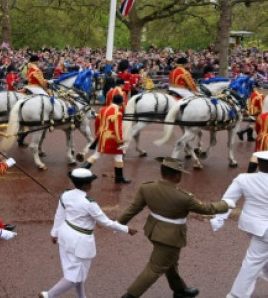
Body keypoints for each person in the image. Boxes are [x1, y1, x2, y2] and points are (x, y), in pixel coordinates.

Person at [115, 157, 232, 298]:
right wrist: (225, 205)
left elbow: (133, 209)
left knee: (169, 262)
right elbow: (207, 209)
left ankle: (179, 290)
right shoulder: (183, 197)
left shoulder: (146, 187)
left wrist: (118, 224)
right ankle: (130, 296)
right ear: (177, 175)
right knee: (155, 268)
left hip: (154, 231)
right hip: (171, 237)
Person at [40, 168, 135, 298]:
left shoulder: (65, 195)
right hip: (80, 240)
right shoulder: (89, 203)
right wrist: (127, 229)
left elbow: (59, 215)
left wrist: (54, 233)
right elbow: (106, 223)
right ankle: (48, 295)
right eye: (90, 182)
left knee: (77, 273)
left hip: (65, 234)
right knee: (74, 277)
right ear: (86, 184)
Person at [212, 150, 268, 298]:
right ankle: (237, 295)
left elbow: (229, 200)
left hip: (251, 225)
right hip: (266, 230)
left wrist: (219, 218)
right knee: (253, 262)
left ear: (258, 164)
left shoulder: (243, 179)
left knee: (260, 257)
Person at [84, 93, 131, 184]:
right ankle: (119, 178)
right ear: (121, 103)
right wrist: (120, 141)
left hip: (102, 136)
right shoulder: (118, 113)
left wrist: (98, 133)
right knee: (118, 156)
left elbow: (97, 122)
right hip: (112, 138)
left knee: (96, 155)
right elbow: (117, 129)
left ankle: (83, 170)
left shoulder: (103, 109)